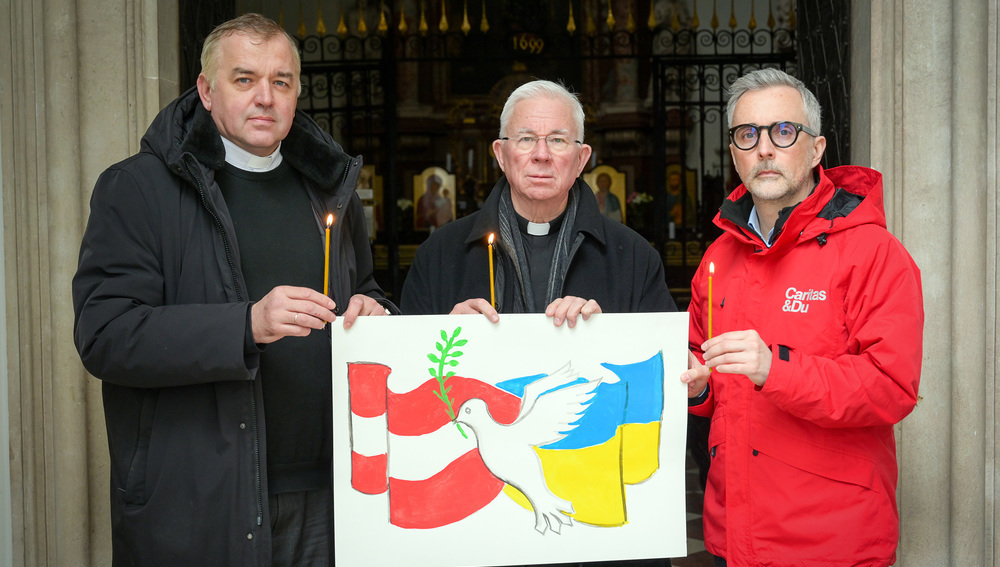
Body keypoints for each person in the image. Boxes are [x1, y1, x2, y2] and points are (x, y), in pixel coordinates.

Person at [72, 14, 396, 566]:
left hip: (331, 490)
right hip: (205, 494)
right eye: (244, 79)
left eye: (282, 82)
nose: (265, 98)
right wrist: (246, 325)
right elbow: (106, 334)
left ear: (297, 92)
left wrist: (374, 308)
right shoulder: (137, 188)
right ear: (205, 90)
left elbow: (362, 287)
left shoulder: (329, 189)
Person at [680, 68, 923, 566]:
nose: (764, 148)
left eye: (782, 131)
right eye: (747, 135)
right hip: (736, 536)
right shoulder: (717, 259)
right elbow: (705, 381)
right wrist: (697, 388)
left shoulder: (874, 252)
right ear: (734, 154)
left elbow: (891, 387)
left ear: (816, 150)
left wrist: (776, 369)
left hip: (834, 542)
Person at [400, 79, 676, 325]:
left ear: (582, 159)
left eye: (557, 140)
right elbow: (405, 368)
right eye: (526, 138)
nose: (541, 154)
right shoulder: (437, 256)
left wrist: (603, 337)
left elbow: (665, 365)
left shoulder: (634, 258)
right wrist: (438, 334)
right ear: (501, 155)